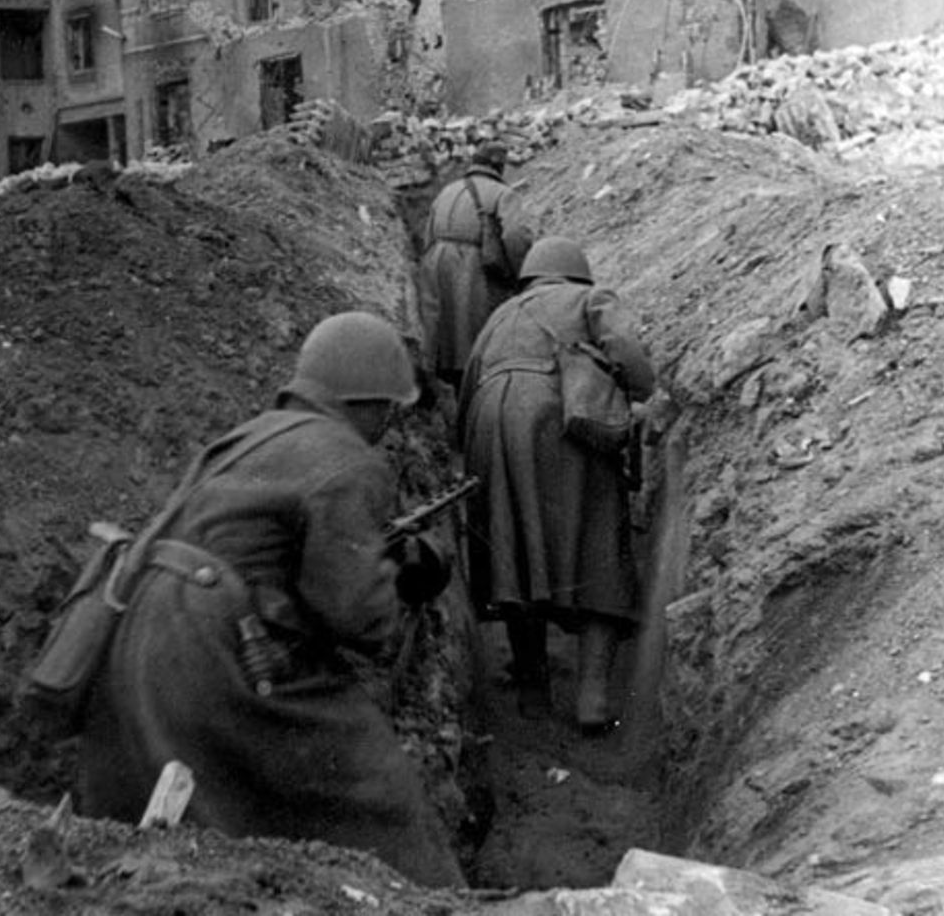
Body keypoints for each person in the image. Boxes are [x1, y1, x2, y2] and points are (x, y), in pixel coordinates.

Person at [77, 311, 464, 889]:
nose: (390, 422)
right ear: (368, 401)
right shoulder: (349, 460)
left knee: (199, 820)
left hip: (141, 629)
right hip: (216, 644)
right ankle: (435, 897)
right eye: (389, 407)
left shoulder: (251, 435)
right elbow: (358, 617)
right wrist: (403, 576)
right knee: (377, 785)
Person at [457, 237, 655, 735]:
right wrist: (645, 393)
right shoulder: (589, 299)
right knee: (598, 548)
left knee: (514, 555)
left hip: (489, 423)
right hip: (559, 419)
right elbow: (627, 352)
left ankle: (531, 688)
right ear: (577, 274)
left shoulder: (499, 316)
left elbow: (466, 389)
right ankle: (592, 697)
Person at [417, 141, 535, 397]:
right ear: (499, 166)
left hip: (434, 262)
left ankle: (435, 383)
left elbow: (426, 235)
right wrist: (523, 276)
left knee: (443, 332)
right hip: (470, 265)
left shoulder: (447, 191)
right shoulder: (503, 194)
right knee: (474, 336)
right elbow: (516, 237)